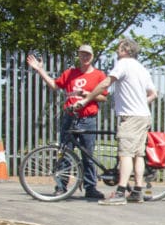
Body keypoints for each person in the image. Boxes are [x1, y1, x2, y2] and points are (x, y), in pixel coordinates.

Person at [72, 38, 157, 205]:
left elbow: (105, 83)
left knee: (125, 154)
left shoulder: (123, 63)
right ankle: (137, 192)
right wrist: (140, 103)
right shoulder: (142, 68)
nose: (117, 51)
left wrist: (87, 99)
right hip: (143, 116)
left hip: (131, 117)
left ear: (125, 49)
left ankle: (120, 193)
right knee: (138, 154)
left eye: (119, 48)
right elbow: (153, 93)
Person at [26, 45, 107, 199]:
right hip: (70, 117)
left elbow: (103, 97)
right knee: (64, 153)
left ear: (92, 57)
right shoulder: (70, 73)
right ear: (78, 56)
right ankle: (61, 187)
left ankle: (91, 188)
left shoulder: (98, 75)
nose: (85, 58)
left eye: (87, 55)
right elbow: (55, 85)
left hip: (87, 119)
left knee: (88, 155)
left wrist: (87, 94)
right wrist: (40, 70)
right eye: (82, 55)